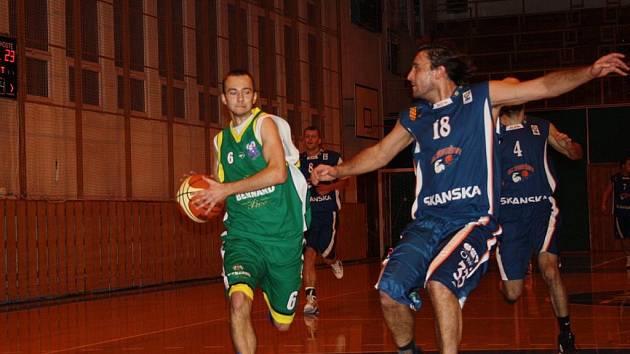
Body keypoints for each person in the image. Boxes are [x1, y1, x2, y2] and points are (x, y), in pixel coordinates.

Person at [310, 44, 628, 354]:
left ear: (439, 71)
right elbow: (380, 152)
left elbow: (543, 86)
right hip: (426, 223)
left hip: (471, 219)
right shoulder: (415, 116)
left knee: (439, 285)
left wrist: (589, 72)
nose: (408, 76)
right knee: (389, 294)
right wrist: (339, 171)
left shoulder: (480, 99)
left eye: (416, 67)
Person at [192, 69, 310, 354]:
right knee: (238, 303)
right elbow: (223, 185)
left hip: (282, 235)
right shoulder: (221, 142)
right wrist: (203, 194)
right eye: (233, 92)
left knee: (283, 324)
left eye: (246, 92)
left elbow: (278, 173)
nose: (240, 98)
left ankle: (274, 294)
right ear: (224, 99)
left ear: (255, 97)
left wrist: (226, 189)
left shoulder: (263, 125)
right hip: (242, 235)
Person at [495, 98, 582, 353]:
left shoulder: (542, 127)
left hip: (541, 209)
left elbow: (575, 154)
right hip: (508, 215)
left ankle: (566, 334)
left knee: (550, 270)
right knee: (512, 293)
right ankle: (509, 276)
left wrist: (570, 146)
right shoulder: (490, 130)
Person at [299, 126, 348, 315]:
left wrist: (330, 188)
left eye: (313, 136)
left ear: (320, 140)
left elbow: (346, 180)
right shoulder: (298, 162)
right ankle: (311, 301)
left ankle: (334, 260)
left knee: (326, 255)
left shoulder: (333, 158)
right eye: (307, 136)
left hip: (328, 213)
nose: (310, 139)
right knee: (308, 256)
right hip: (308, 216)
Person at [601, 155, 630, 266]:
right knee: (624, 237)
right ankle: (628, 258)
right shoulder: (615, 178)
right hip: (620, 213)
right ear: (623, 166)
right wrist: (603, 203)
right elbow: (607, 191)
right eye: (629, 164)